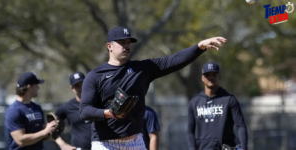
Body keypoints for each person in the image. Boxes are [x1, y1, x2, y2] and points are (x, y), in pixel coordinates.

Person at [79, 26, 227, 150]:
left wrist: (200, 46)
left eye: (129, 42)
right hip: (105, 144)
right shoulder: (95, 76)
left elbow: (174, 60)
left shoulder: (142, 69)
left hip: (135, 142)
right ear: (109, 46)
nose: (127, 45)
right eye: (121, 42)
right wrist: (109, 113)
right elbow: (84, 111)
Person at [186, 62, 248, 150]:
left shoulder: (229, 100)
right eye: (208, 75)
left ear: (219, 77)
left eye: (214, 74)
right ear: (202, 77)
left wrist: (244, 148)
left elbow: (240, 125)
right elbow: (190, 131)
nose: (211, 77)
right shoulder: (194, 102)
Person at [5, 72, 57, 150]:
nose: (38, 88)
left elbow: (42, 136)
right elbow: (21, 140)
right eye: (36, 85)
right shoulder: (14, 111)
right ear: (29, 87)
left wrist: (53, 130)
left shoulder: (37, 107)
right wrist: (45, 131)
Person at [54, 72, 92, 150]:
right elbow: (50, 128)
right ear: (72, 88)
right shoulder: (67, 107)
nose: (81, 88)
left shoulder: (98, 102)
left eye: (82, 84)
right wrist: (62, 144)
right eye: (77, 86)